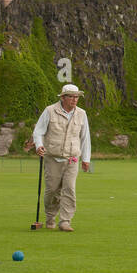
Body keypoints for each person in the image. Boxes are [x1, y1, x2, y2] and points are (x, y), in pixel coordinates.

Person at [31, 84, 91, 232]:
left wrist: (86, 158)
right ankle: (50, 217)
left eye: (76, 97)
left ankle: (65, 221)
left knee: (69, 189)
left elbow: (85, 137)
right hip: (53, 158)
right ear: (63, 97)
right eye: (71, 96)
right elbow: (38, 132)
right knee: (52, 191)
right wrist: (39, 145)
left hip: (72, 159)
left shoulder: (82, 114)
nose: (74, 99)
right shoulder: (49, 111)